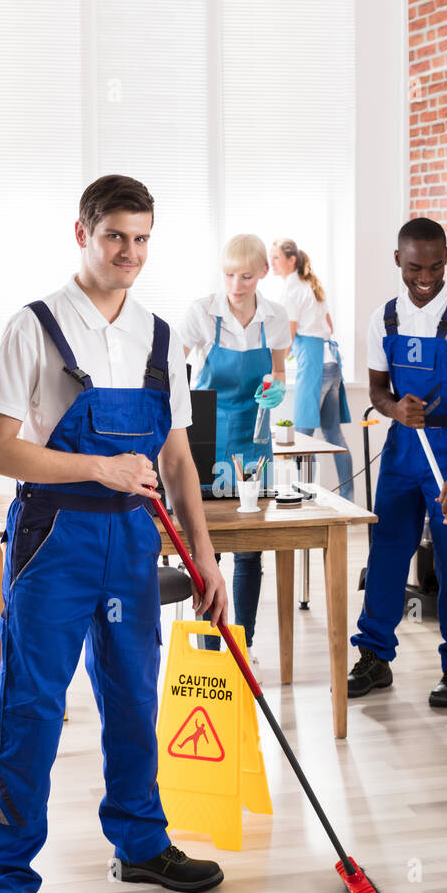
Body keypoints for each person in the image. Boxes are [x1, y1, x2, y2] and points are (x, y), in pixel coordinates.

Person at [0, 175, 229, 893]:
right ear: (82, 233)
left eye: (143, 238)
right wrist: (101, 467)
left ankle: (140, 843)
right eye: (116, 236)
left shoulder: (160, 336)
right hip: (55, 540)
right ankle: (7, 891)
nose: (130, 253)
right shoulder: (37, 328)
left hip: (132, 544)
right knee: (34, 710)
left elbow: (178, 458)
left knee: (132, 697)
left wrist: (206, 552)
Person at [348, 217, 447, 707]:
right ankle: (374, 657)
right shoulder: (384, 318)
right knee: (387, 553)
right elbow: (376, 389)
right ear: (398, 260)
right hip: (401, 452)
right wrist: (394, 408)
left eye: (436, 265)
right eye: (415, 266)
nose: (426, 276)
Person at [179, 235, 290, 669]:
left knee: (249, 547)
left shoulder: (276, 317)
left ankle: (242, 643)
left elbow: (278, 371)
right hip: (206, 433)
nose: (236, 285)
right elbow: (173, 372)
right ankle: (210, 649)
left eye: (246, 276)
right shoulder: (202, 313)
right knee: (208, 544)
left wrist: (277, 389)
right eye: (229, 275)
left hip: (253, 435)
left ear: (263, 272)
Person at [270, 238, 353, 500]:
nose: (272, 263)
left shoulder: (292, 291)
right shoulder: (312, 287)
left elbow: (288, 335)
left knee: (303, 436)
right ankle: (348, 496)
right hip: (332, 363)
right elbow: (328, 325)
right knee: (332, 433)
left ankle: (304, 496)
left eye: (275, 258)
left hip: (315, 365)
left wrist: (277, 364)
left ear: (291, 260)